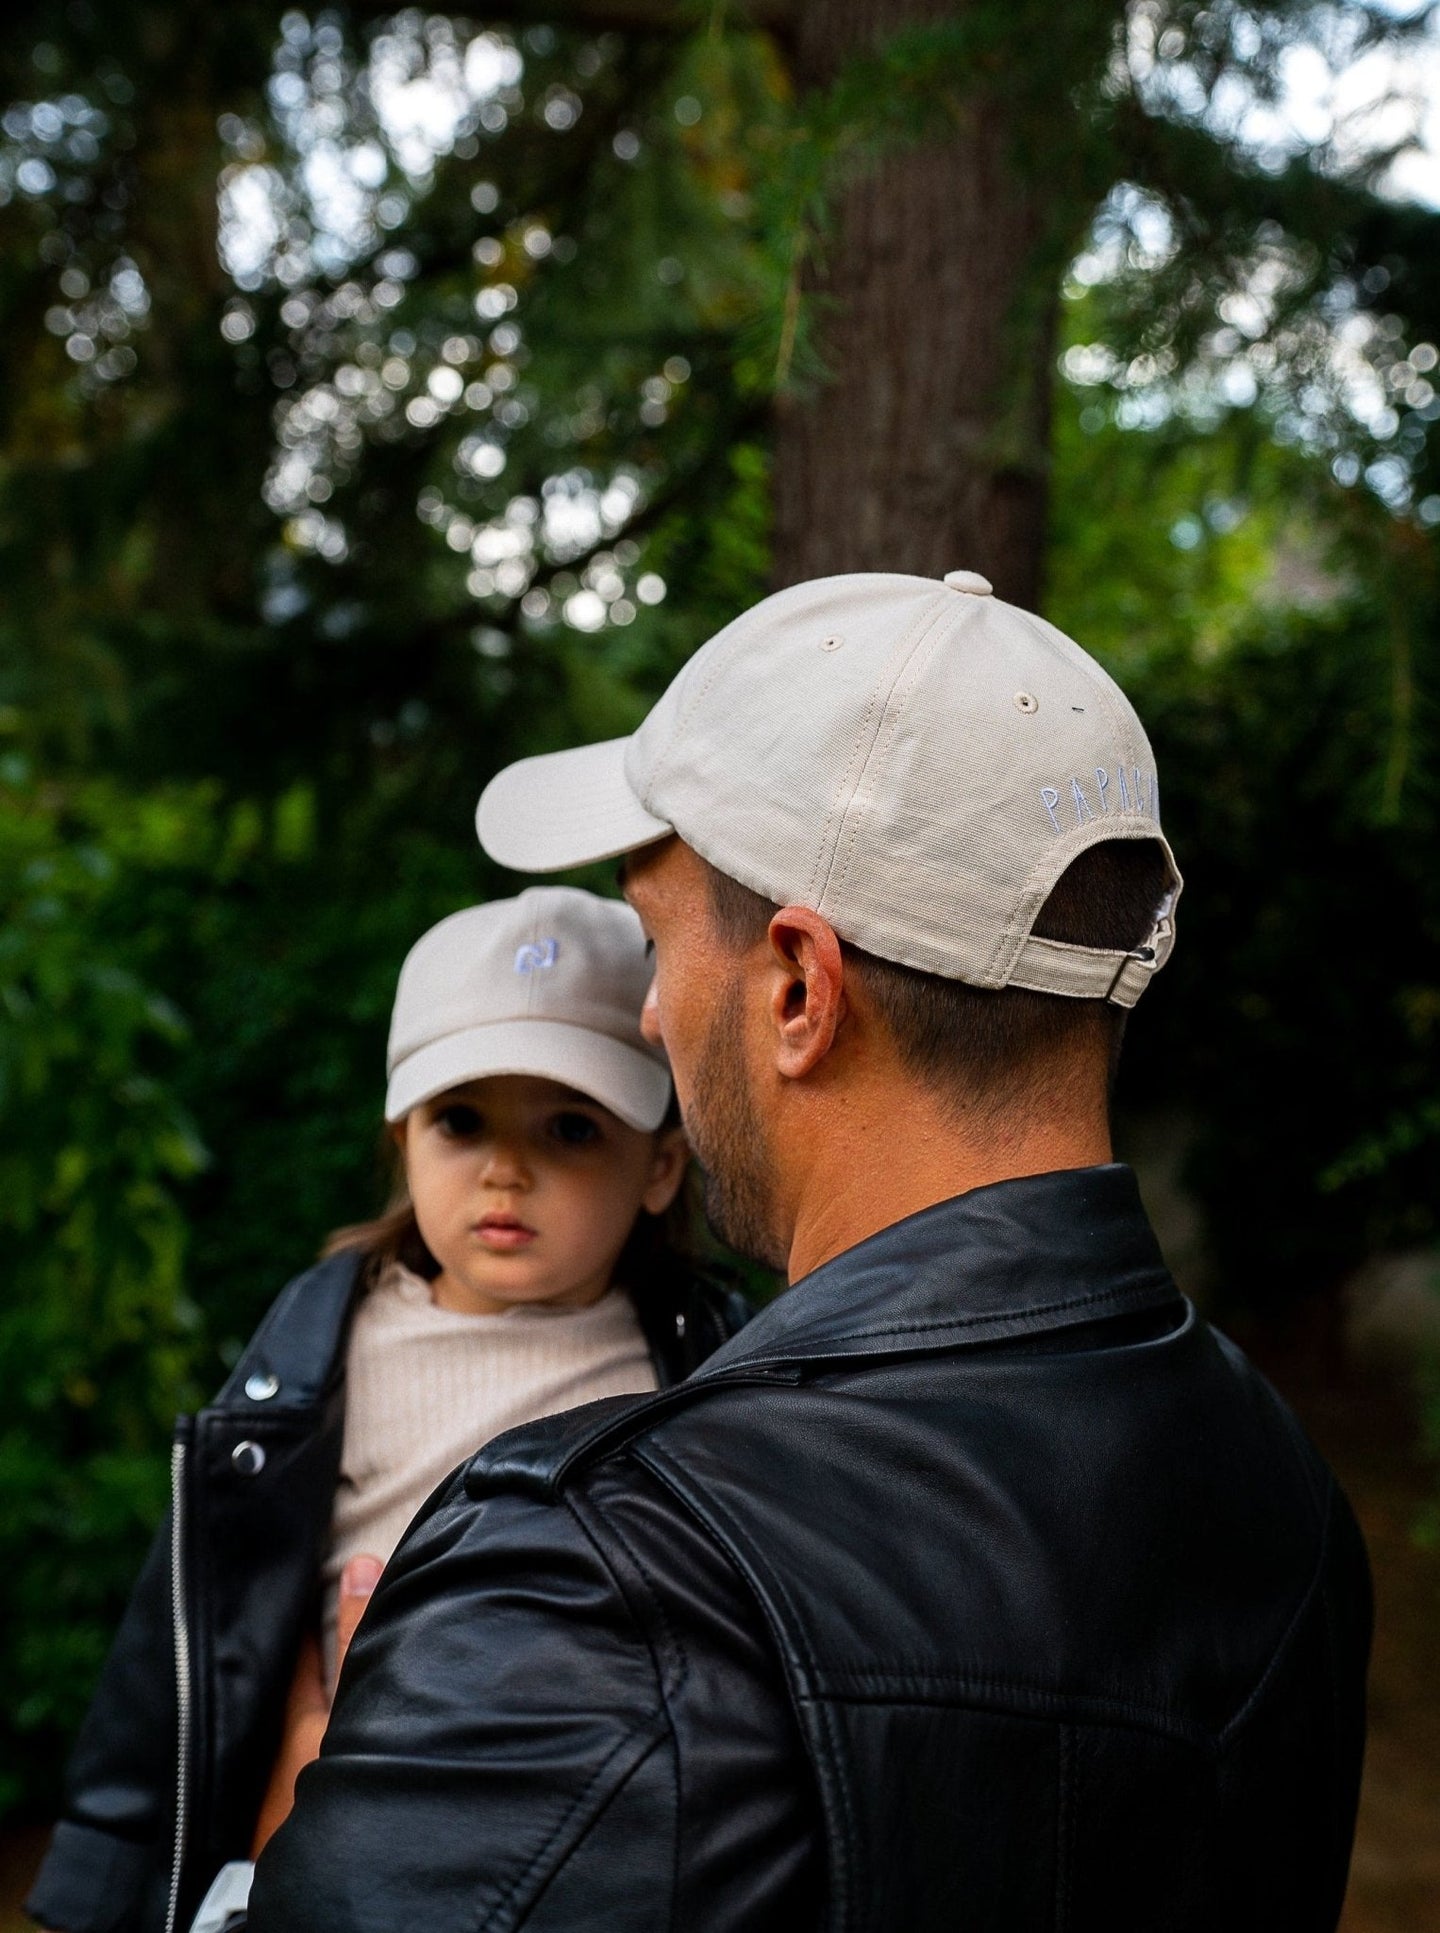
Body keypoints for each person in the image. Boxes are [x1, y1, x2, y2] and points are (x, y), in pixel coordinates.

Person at [247, 570, 1371, 1932]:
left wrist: (311, 1808)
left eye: (659, 939)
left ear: (797, 989)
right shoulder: (1284, 1494)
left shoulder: (605, 1581)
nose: (654, 1015)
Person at [26, 888, 749, 1933]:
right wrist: (106, 1871)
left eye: (571, 1126)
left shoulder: (698, 1360)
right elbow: (179, 1640)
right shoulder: (321, 1356)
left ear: (660, 1167)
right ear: (401, 1137)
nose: (507, 1167)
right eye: (463, 1120)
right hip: (348, 1820)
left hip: (600, 1827)